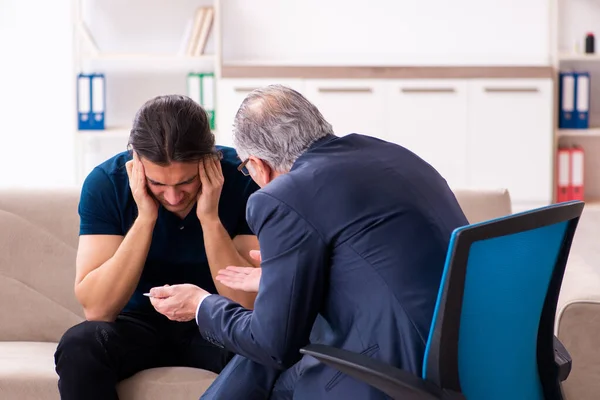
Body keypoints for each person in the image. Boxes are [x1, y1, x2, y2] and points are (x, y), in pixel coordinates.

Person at [147, 85, 470, 399]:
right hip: (465, 353)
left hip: (392, 371)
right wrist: (280, 283)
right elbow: (381, 263)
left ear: (258, 164)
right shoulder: (393, 155)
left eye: (247, 169)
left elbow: (271, 344)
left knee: (261, 360)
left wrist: (202, 305)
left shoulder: (284, 196)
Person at [54, 94, 261, 400]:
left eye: (186, 182)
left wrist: (209, 218)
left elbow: (247, 305)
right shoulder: (106, 183)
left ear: (211, 159)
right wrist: (146, 217)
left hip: (215, 318)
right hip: (137, 323)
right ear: (136, 162)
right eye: (158, 184)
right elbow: (97, 309)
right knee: (79, 345)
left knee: (264, 349)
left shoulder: (244, 180)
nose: (174, 197)